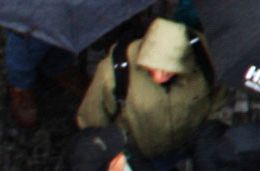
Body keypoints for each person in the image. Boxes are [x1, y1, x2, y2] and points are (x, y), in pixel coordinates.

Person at [76, 19, 221, 162]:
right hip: (136, 157)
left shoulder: (205, 56)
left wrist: (206, 136)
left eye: (169, 70)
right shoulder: (112, 73)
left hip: (189, 148)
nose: (160, 77)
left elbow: (218, 94)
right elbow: (92, 119)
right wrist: (113, 159)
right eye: (154, 67)